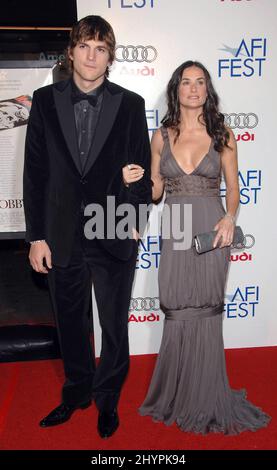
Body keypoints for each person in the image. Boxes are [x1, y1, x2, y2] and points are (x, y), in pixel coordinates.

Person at [123, 61, 270, 434]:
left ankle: (208, 393)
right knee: (176, 307)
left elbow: (233, 191)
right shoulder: (161, 135)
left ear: (207, 89)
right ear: (176, 89)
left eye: (199, 82)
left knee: (206, 308)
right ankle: (177, 392)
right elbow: (156, 191)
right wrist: (137, 180)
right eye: (186, 82)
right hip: (174, 226)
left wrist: (229, 218)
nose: (193, 88)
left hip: (211, 228)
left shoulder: (223, 133)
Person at [23, 15, 151, 438]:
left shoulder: (130, 103)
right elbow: (35, 172)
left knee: (114, 324)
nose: (92, 56)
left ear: (110, 56)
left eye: (101, 48)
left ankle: (108, 398)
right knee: (70, 321)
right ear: (71, 52)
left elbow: (142, 171)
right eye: (85, 46)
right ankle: (77, 392)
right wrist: (36, 235)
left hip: (114, 229)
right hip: (59, 234)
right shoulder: (43, 101)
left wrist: (133, 222)